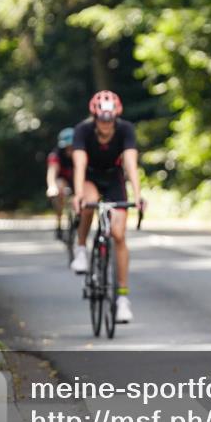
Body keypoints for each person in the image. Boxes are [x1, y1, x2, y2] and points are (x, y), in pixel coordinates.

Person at [70, 90, 145, 324]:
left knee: (119, 234)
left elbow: (131, 164)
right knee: (88, 205)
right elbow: (80, 164)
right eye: (101, 119)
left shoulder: (125, 130)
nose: (105, 124)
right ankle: (81, 248)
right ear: (94, 118)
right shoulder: (82, 131)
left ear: (116, 117)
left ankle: (122, 299)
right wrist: (78, 194)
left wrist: (139, 195)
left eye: (109, 119)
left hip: (114, 178)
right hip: (90, 177)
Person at [46, 127, 76, 239]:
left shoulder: (81, 153)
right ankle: (59, 222)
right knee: (59, 190)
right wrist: (51, 186)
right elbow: (52, 171)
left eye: (72, 147)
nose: (69, 150)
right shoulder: (56, 155)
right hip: (62, 180)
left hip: (76, 179)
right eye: (67, 147)